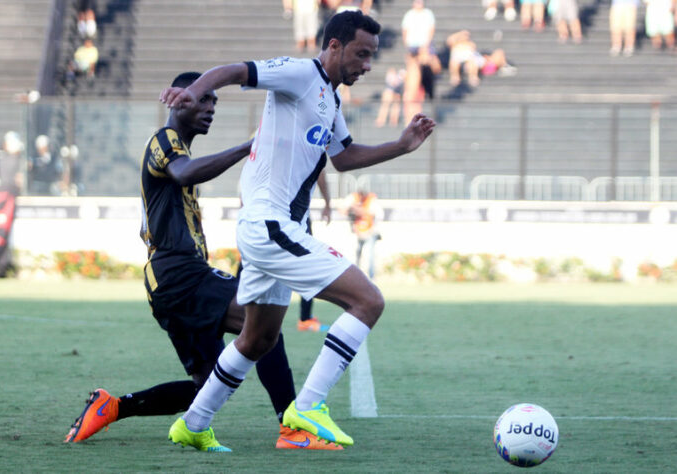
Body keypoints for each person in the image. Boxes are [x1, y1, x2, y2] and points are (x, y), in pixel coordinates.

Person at [159, 10, 435, 451]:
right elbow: (234, 71)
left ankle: (193, 423)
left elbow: (344, 157)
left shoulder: (330, 99)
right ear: (333, 46)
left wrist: (401, 146)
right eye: (361, 54)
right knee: (368, 300)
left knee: (257, 339)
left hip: (270, 227)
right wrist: (192, 92)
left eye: (372, 57)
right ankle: (306, 409)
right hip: (269, 223)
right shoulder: (299, 73)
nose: (367, 65)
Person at [63, 72, 342, 451]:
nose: (211, 107)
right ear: (180, 100)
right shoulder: (166, 141)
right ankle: (293, 428)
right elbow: (183, 173)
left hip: (169, 281)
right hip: (179, 274)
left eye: (215, 101)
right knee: (261, 327)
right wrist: (249, 146)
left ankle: (112, 407)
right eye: (204, 99)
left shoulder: (180, 148)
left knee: (207, 385)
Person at [297, 169, 332, 332]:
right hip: (296, 218)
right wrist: (327, 203)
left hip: (265, 216)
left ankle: (238, 312)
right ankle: (305, 319)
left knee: (254, 263)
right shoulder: (308, 145)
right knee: (306, 268)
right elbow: (321, 173)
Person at [401, 0, 441, 124]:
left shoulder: (427, 14)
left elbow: (437, 68)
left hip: (421, 88)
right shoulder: (409, 15)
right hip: (415, 93)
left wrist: (426, 49)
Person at [446, 30, 516, 87]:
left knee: (499, 52)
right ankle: (463, 77)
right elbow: (450, 40)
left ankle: (505, 66)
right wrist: (460, 34)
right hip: (469, 63)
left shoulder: (470, 45)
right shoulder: (456, 45)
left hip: (478, 61)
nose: (466, 37)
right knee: (460, 63)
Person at [342, 187, 383, 279]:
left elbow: (373, 214)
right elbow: (343, 210)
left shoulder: (371, 202)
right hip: (358, 232)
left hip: (370, 232)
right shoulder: (354, 201)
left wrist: (356, 209)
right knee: (356, 255)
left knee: (370, 256)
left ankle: (371, 276)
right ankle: (355, 275)